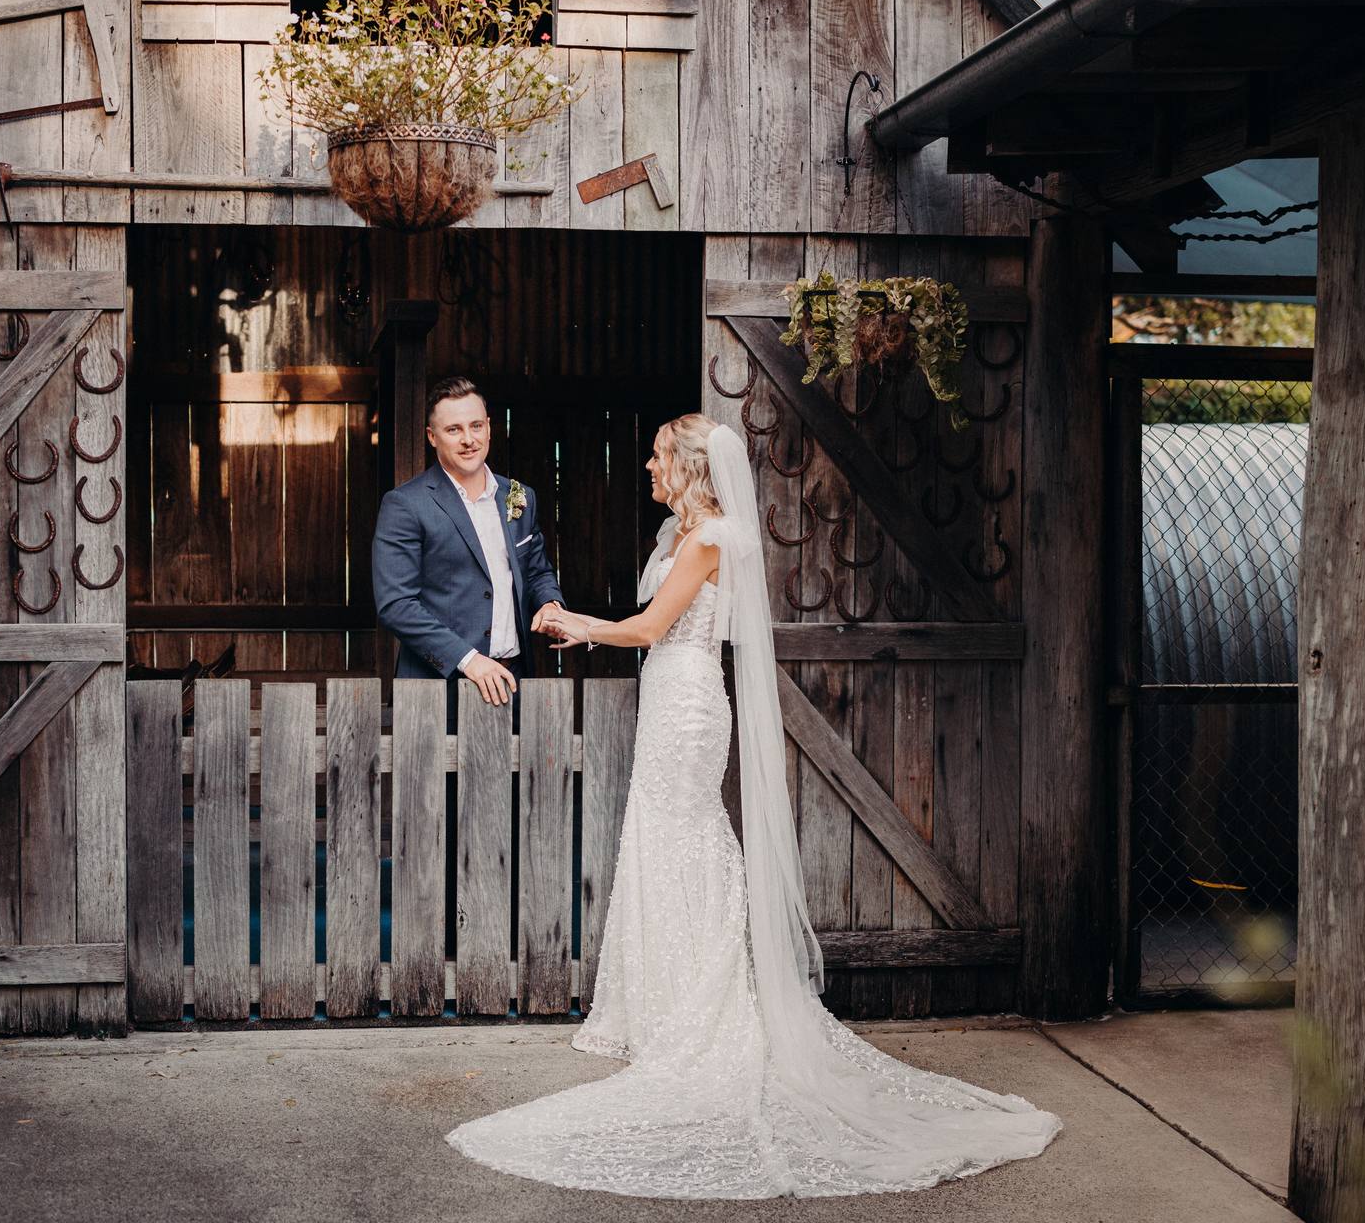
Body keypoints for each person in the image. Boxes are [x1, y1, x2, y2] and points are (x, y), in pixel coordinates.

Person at [447, 413, 1062, 1198]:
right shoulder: (682, 532)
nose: (647, 465)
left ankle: (701, 1012)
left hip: (689, 702)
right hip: (670, 698)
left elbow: (652, 626)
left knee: (686, 838)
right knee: (664, 838)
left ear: (692, 468)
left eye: (659, 457)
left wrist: (577, 624)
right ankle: (661, 1005)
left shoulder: (711, 539)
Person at [371, 377, 564, 705]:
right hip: (437, 690)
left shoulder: (519, 497)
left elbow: (536, 571)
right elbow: (396, 604)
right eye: (454, 430)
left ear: (489, 427)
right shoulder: (405, 504)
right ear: (432, 437)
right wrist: (468, 658)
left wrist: (550, 603)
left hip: (513, 681)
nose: (468, 440)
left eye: (476, 426)